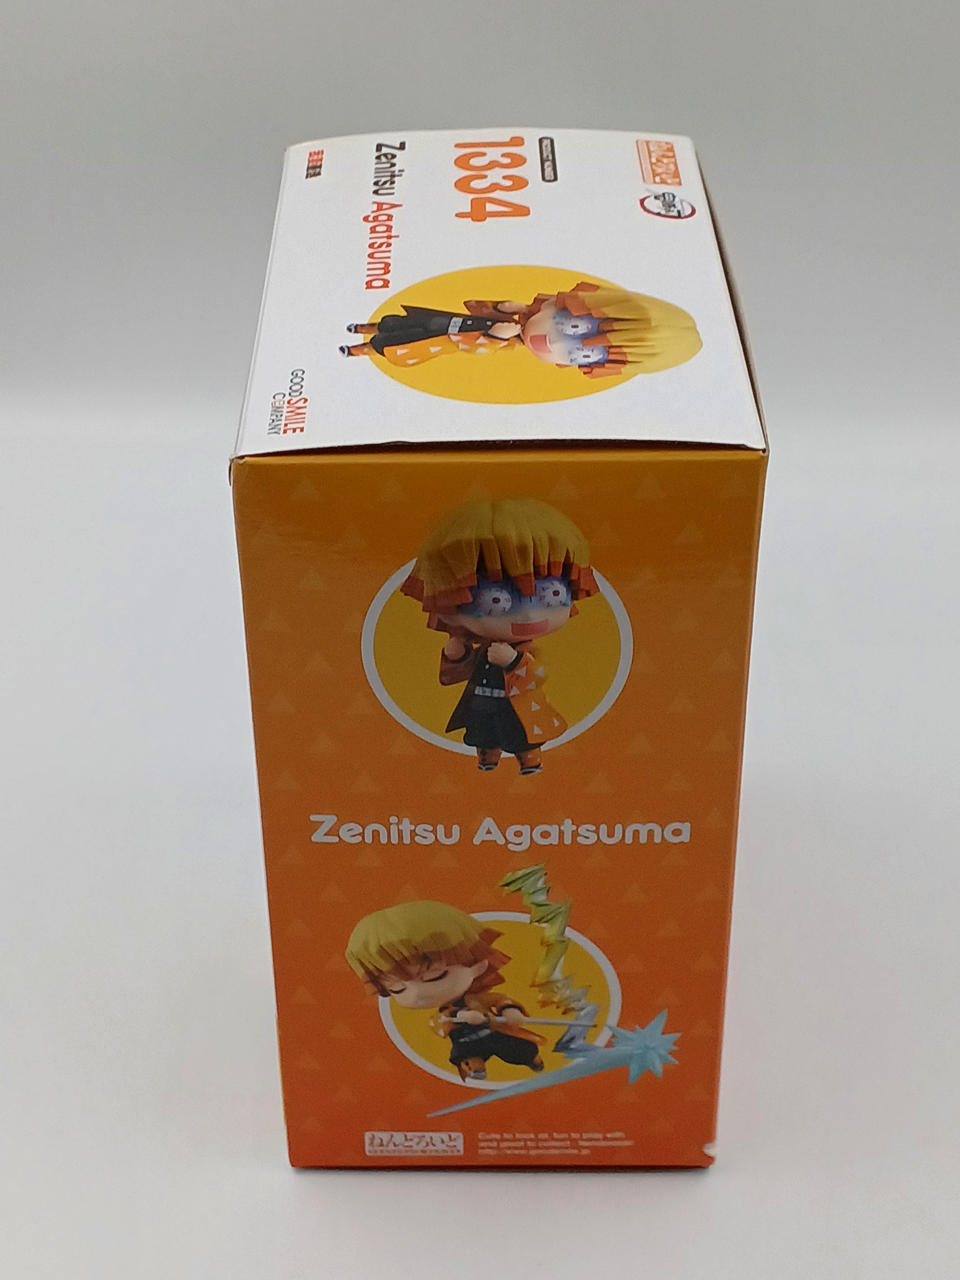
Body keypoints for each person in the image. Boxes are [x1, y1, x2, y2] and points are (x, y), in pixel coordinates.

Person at [401, 497, 598, 774]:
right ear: (449, 601)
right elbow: (455, 677)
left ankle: (529, 760)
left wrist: (512, 661)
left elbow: (539, 674)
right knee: (483, 731)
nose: (528, 615)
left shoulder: (526, 650)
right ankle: (487, 757)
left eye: (552, 593)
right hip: (483, 701)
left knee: (520, 734)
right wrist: (458, 655)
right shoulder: (484, 645)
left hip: (518, 706)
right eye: (496, 600)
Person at [345, 900, 545, 1081]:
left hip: (495, 1032)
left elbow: (499, 999)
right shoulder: (443, 1013)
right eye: (397, 989)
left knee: (521, 1049)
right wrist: (459, 1017)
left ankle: (533, 1060)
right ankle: (474, 1068)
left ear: (477, 965)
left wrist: (510, 1010)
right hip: (467, 1042)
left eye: (435, 976)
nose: (417, 994)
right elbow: (438, 1024)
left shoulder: (477, 999)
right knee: (464, 1054)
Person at [340, 280, 701, 376]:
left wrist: (495, 337)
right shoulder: (519, 315)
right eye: (569, 324)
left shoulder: (509, 341)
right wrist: (505, 310)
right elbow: (477, 304)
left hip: (442, 338)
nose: (550, 342)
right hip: (442, 320)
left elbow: (471, 347)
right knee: (403, 322)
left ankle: (362, 347)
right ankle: (363, 328)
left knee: (402, 340)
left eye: (580, 353)